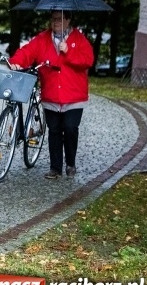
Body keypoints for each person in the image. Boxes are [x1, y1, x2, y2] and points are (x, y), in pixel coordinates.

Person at [9, 10, 94, 179]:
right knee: (54, 130)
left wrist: (68, 50)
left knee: (70, 128)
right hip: (51, 94)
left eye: (59, 19)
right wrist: (16, 63)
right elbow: (27, 52)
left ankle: (70, 163)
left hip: (74, 96)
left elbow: (88, 60)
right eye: (53, 19)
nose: (55, 22)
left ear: (68, 20)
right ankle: (55, 168)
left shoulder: (79, 39)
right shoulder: (42, 39)